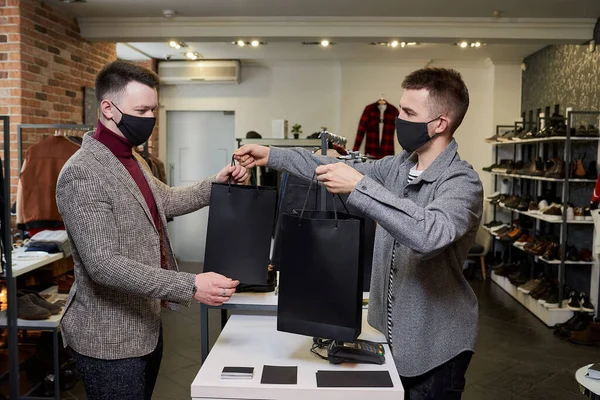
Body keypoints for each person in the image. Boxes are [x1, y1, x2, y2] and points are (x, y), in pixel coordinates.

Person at [235, 68, 483, 400]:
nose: (399, 120)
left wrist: (360, 188)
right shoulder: (398, 167)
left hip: (436, 346)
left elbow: (429, 234)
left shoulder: (462, 183)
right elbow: (329, 168)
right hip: (389, 337)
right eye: (400, 110)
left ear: (440, 123)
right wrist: (273, 155)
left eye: (409, 113)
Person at [56, 60, 246, 400]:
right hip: (108, 339)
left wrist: (215, 184)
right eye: (141, 110)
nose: (149, 119)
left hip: (145, 327)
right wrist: (190, 284)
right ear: (108, 109)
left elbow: (167, 201)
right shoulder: (82, 172)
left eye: (153, 110)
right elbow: (103, 264)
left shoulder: (133, 158)